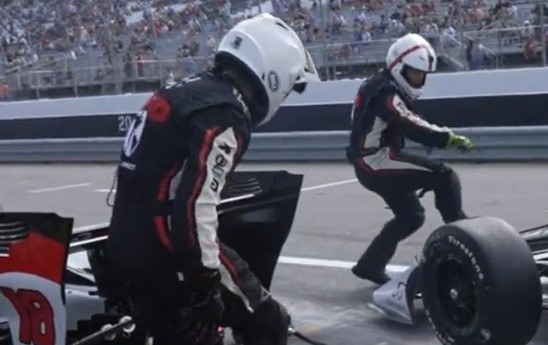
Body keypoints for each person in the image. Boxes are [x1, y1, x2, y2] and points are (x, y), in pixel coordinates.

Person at [106, 13, 319, 345]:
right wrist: (204, 281)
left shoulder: (184, 90)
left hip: (125, 241)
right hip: (165, 246)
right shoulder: (225, 113)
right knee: (269, 321)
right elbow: (195, 205)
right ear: (273, 73)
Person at [345, 33, 475, 285]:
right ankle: (466, 239)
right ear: (397, 65)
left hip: (372, 161)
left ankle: (369, 265)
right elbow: (409, 123)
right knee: (444, 176)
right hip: (375, 161)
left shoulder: (381, 84)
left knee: (411, 216)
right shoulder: (385, 92)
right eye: (414, 73)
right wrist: (446, 137)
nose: (419, 79)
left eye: (422, 75)